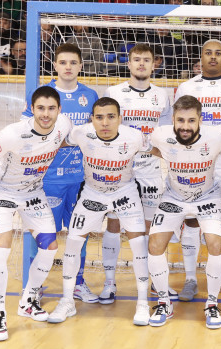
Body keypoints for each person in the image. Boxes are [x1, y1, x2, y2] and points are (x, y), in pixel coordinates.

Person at [0, 86, 73, 340]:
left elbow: (64, 139)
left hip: (33, 193)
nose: (46, 114)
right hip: (2, 192)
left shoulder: (64, 124)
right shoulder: (12, 134)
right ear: (32, 109)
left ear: (59, 110)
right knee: (2, 248)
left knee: (50, 247)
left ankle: (28, 301)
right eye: (41, 108)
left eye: (51, 108)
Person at [47, 97, 151, 326]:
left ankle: (142, 302)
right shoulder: (81, 133)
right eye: (99, 117)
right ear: (91, 119)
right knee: (73, 242)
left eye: (111, 117)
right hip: (93, 193)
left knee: (138, 244)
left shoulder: (134, 137)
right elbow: (51, 142)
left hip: (125, 192)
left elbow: (164, 150)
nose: (105, 123)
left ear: (120, 119)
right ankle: (67, 301)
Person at [146, 95, 221, 328]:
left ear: (200, 121)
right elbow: (152, 147)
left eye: (191, 121)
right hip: (173, 196)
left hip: (207, 196)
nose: (185, 126)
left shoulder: (217, 137)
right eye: (180, 120)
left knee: (216, 244)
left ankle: (212, 304)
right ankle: (164, 302)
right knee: (154, 245)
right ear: (173, 120)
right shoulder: (161, 135)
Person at [21, 44, 100, 303]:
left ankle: (77, 283)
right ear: (55, 66)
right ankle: (34, 287)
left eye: (73, 62)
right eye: (63, 62)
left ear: (80, 66)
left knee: (79, 234)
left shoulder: (90, 95)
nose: (68, 67)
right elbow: (26, 130)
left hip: (79, 178)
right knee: (44, 234)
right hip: (48, 178)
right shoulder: (44, 94)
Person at [103, 43, 175, 303]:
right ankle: (109, 282)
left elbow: (166, 133)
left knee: (149, 228)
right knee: (114, 223)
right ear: (129, 63)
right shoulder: (114, 92)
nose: (141, 64)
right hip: (120, 168)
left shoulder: (162, 95)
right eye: (136, 59)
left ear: (154, 63)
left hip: (151, 170)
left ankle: (154, 283)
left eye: (146, 60)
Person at [174, 40, 221, 300]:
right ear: (201, 57)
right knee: (191, 219)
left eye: (218, 53)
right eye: (208, 53)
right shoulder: (187, 87)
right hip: (194, 162)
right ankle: (191, 279)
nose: (213, 58)